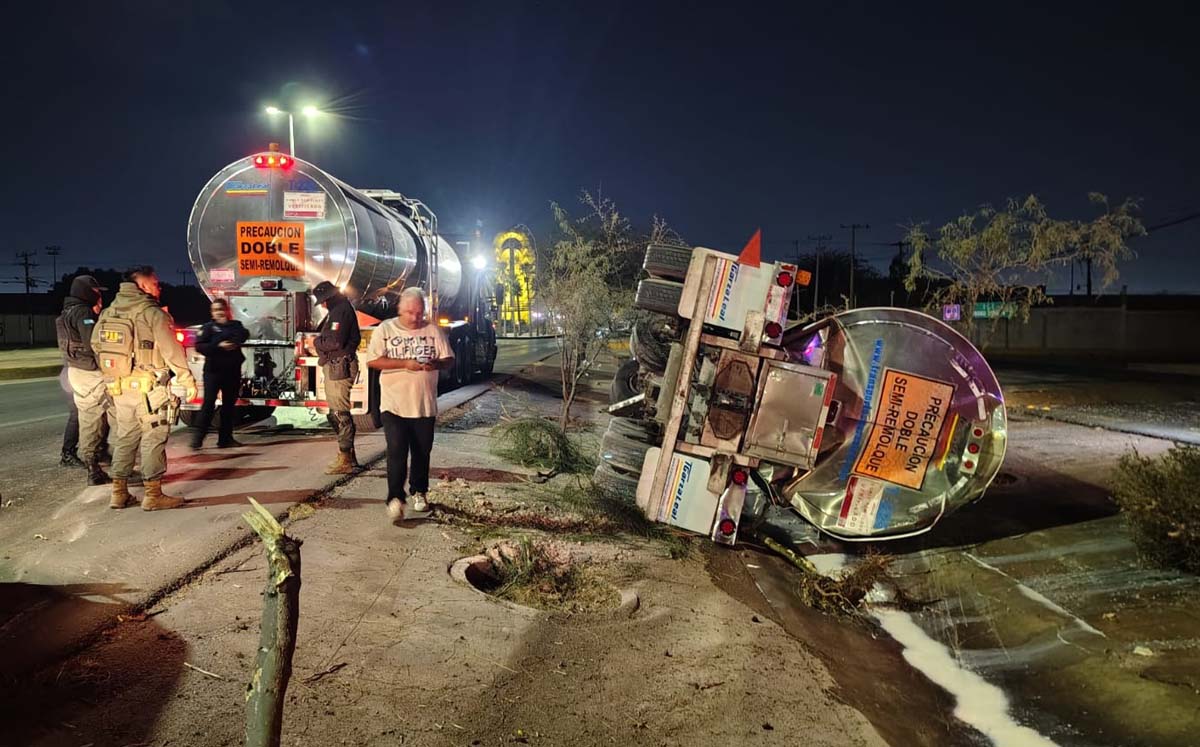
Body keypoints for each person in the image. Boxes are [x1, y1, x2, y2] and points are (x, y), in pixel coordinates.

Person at [93, 266, 196, 510]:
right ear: (143, 286)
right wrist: (186, 379)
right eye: (155, 283)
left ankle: (119, 493)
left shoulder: (108, 313)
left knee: (125, 437)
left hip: (120, 388)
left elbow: (96, 344)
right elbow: (172, 351)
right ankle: (153, 495)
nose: (158, 288)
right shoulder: (153, 314)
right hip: (150, 389)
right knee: (154, 437)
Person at [367, 287, 454, 521]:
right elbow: (374, 360)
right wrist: (405, 363)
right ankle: (395, 498)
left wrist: (435, 364)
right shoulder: (386, 329)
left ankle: (419, 491)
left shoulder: (432, 330)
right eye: (410, 312)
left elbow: (448, 359)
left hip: (424, 405)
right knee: (396, 450)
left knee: (421, 451)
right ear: (400, 309)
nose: (415, 317)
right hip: (393, 404)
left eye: (419, 312)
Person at [55, 274, 112, 485]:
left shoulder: (65, 312)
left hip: (74, 371)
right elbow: (93, 344)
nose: (98, 296)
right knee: (108, 414)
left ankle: (94, 461)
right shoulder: (83, 313)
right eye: (96, 292)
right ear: (86, 292)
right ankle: (99, 463)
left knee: (87, 416)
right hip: (90, 372)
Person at [306, 281, 361, 474]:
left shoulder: (340, 311)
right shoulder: (340, 309)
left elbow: (335, 340)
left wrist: (316, 342)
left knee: (339, 414)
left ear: (328, 299)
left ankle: (345, 458)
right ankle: (348, 456)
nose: (321, 305)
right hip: (337, 365)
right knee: (335, 413)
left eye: (323, 301)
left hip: (339, 367)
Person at [191, 298, 249, 449]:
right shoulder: (207, 328)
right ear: (212, 313)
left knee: (229, 407)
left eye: (222, 309)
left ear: (227, 310)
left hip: (232, 371)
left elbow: (242, 335)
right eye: (216, 310)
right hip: (213, 372)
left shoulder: (236, 325)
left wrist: (230, 339)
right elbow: (200, 346)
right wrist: (218, 345)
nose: (219, 312)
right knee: (208, 405)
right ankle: (197, 440)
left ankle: (225, 439)